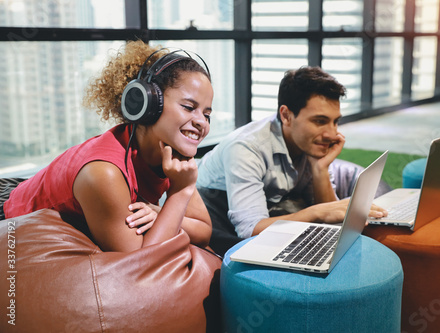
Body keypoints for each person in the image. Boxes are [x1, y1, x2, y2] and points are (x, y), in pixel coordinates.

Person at [1, 40, 214, 253]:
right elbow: (141, 264)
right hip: (11, 223)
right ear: (147, 104)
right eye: (188, 107)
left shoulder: (172, 152)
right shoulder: (104, 172)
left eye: (206, 114)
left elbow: (203, 231)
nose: (201, 122)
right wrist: (181, 190)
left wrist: (159, 212)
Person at [196, 66, 388, 255]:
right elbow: (250, 232)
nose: (332, 134)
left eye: (335, 121)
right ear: (286, 116)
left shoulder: (309, 144)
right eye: (320, 121)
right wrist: (316, 212)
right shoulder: (246, 148)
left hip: (272, 200)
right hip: (215, 209)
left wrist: (320, 168)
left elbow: (336, 219)